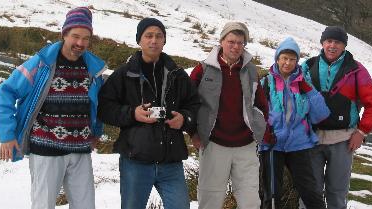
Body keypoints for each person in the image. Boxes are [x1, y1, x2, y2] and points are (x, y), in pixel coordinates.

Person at [0, 7, 105, 209]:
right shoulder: (41, 64)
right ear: (64, 34)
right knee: (43, 205)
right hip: (46, 149)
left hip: (80, 150)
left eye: (86, 38)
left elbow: (98, 104)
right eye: (75, 36)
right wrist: (7, 135)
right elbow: (5, 92)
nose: (80, 43)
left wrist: (96, 132)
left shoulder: (93, 69)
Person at [97, 17, 200, 209]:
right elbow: (103, 108)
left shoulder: (177, 74)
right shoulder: (124, 73)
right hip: (135, 161)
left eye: (159, 36)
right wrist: (131, 113)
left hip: (171, 162)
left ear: (164, 40)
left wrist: (184, 119)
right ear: (139, 40)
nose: (154, 40)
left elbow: (194, 104)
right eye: (148, 36)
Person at [301, 26, 372, 209]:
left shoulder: (356, 70)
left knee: (337, 193)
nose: (332, 46)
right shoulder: (308, 66)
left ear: (344, 46)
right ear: (322, 43)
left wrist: (361, 131)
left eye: (337, 42)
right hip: (311, 139)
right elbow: (293, 95)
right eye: (329, 41)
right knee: (309, 193)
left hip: (343, 141)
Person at [190, 22, 268, 209]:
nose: (235, 46)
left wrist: (257, 129)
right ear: (221, 41)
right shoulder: (203, 69)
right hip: (214, 143)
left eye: (240, 43)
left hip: (245, 145)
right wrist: (194, 133)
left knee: (250, 201)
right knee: (210, 200)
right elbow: (189, 103)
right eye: (231, 41)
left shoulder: (250, 70)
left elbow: (261, 104)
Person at [258, 37, 329, 209]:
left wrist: (309, 90)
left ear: (297, 61)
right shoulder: (266, 83)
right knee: (271, 196)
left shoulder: (304, 83)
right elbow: (256, 114)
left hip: (299, 144)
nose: (288, 63)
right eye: (284, 58)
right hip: (272, 144)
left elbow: (321, 115)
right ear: (277, 59)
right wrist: (264, 133)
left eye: (292, 59)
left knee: (311, 193)